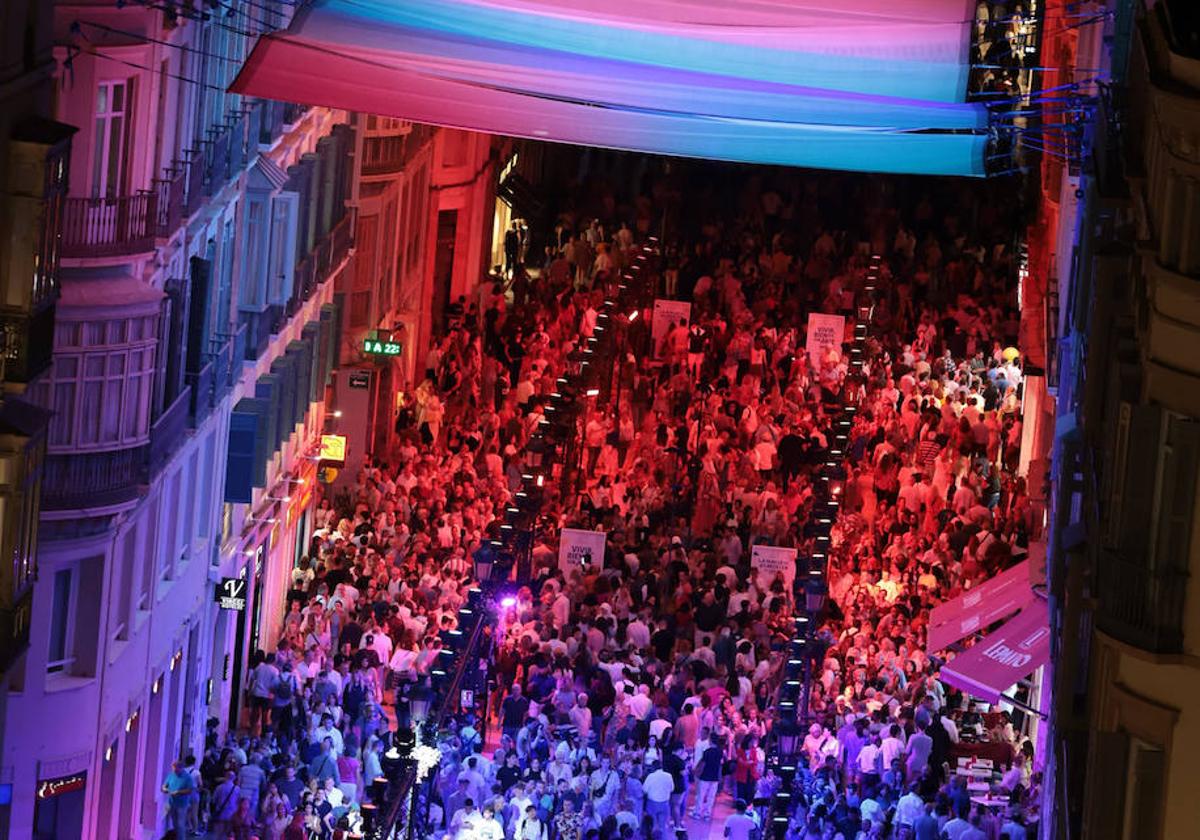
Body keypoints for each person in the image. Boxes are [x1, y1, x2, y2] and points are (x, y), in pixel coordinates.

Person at [161, 760, 195, 840]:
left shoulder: (187, 777)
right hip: (171, 803)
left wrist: (178, 792)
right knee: (174, 823)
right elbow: (164, 785)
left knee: (180, 824)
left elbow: (190, 790)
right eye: (173, 769)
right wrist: (164, 789)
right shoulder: (171, 775)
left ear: (181, 768)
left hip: (182, 804)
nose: (174, 771)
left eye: (176, 769)